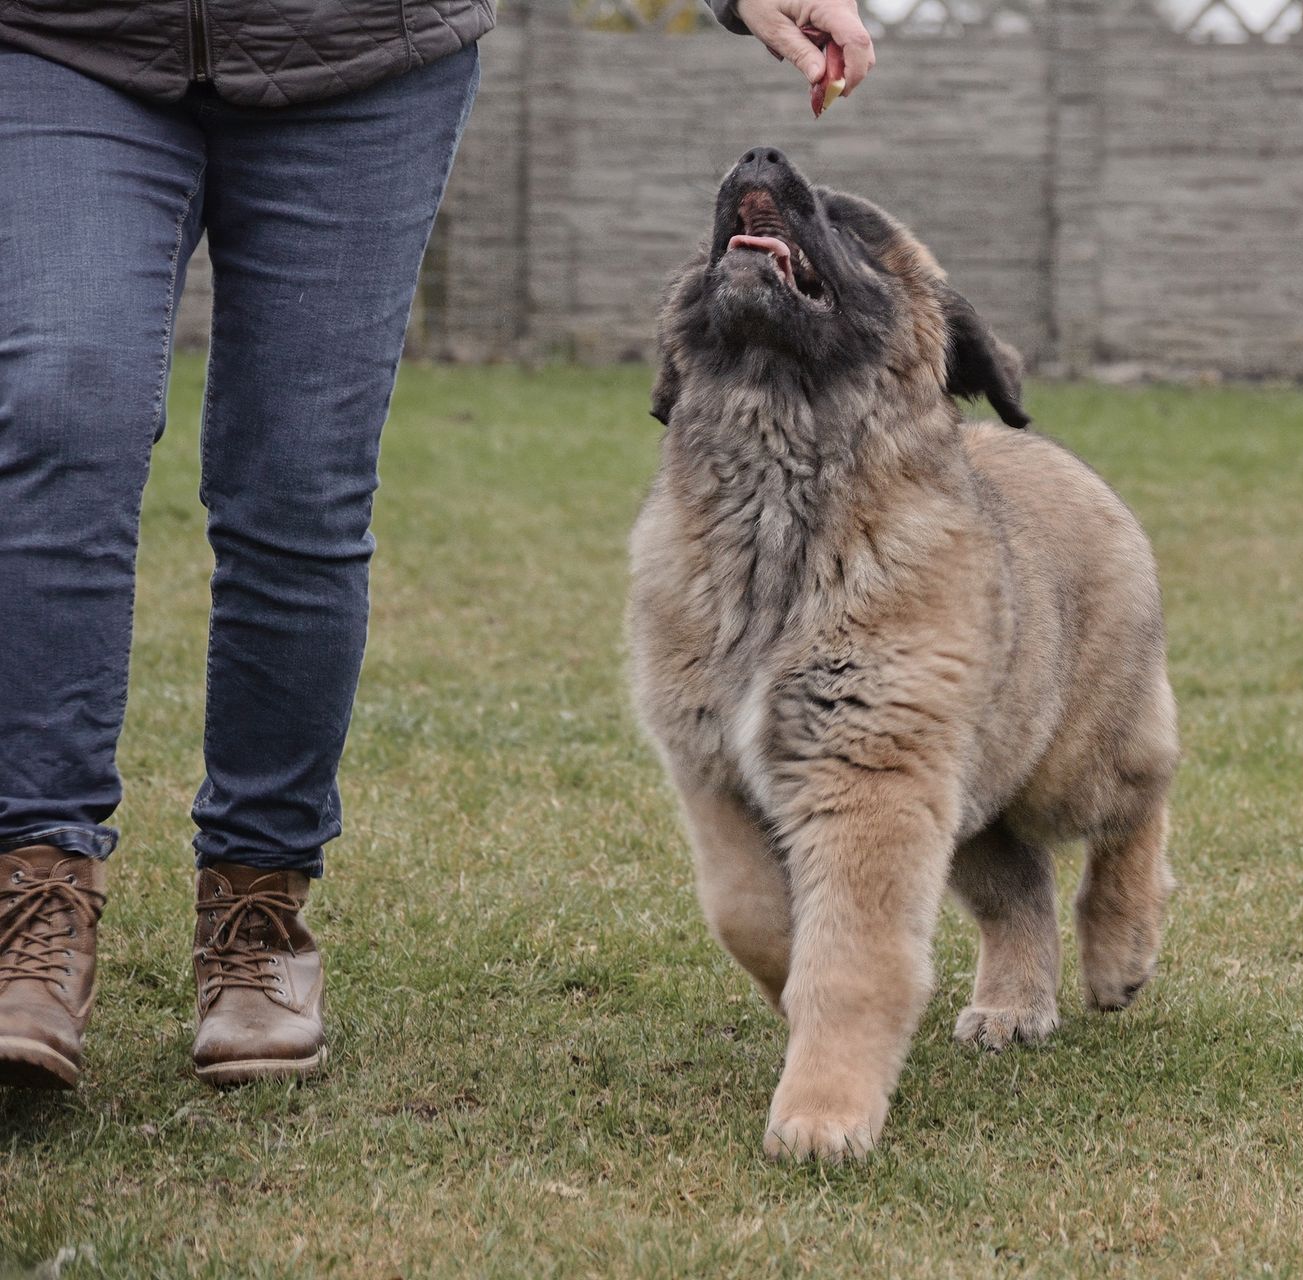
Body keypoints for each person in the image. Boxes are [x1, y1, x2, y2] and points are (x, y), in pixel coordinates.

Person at [0, 0, 873, 1091]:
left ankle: (257, 915)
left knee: (300, 483)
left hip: (362, 50)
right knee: (59, 408)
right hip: (65, 39)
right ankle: (36, 893)